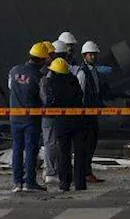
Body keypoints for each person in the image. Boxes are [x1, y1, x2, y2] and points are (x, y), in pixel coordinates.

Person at [7, 43, 50, 192]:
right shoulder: (40, 77)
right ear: (41, 60)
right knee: (31, 149)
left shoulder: (14, 71)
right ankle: (30, 182)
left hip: (15, 118)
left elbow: (11, 87)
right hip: (32, 119)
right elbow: (45, 99)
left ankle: (17, 182)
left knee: (17, 148)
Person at [40, 57, 85, 191]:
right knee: (79, 153)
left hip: (61, 121)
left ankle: (64, 183)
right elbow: (80, 97)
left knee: (63, 153)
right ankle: (80, 183)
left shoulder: (51, 82)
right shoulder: (74, 80)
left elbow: (49, 102)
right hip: (77, 120)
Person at [75, 41, 107, 185]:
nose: (93, 57)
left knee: (92, 142)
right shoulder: (82, 73)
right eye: (90, 55)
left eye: (94, 54)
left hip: (92, 112)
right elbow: (80, 94)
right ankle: (85, 173)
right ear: (84, 56)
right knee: (86, 144)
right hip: (85, 114)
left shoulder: (94, 72)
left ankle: (87, 172)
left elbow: (96, 91)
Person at [42, 39, 72, 184]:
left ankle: (52, 169)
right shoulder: (45, 74)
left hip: (53, 113)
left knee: (54, 142)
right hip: (49, 114)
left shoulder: (48, 71)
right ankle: (50, 171)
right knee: (51, 142)